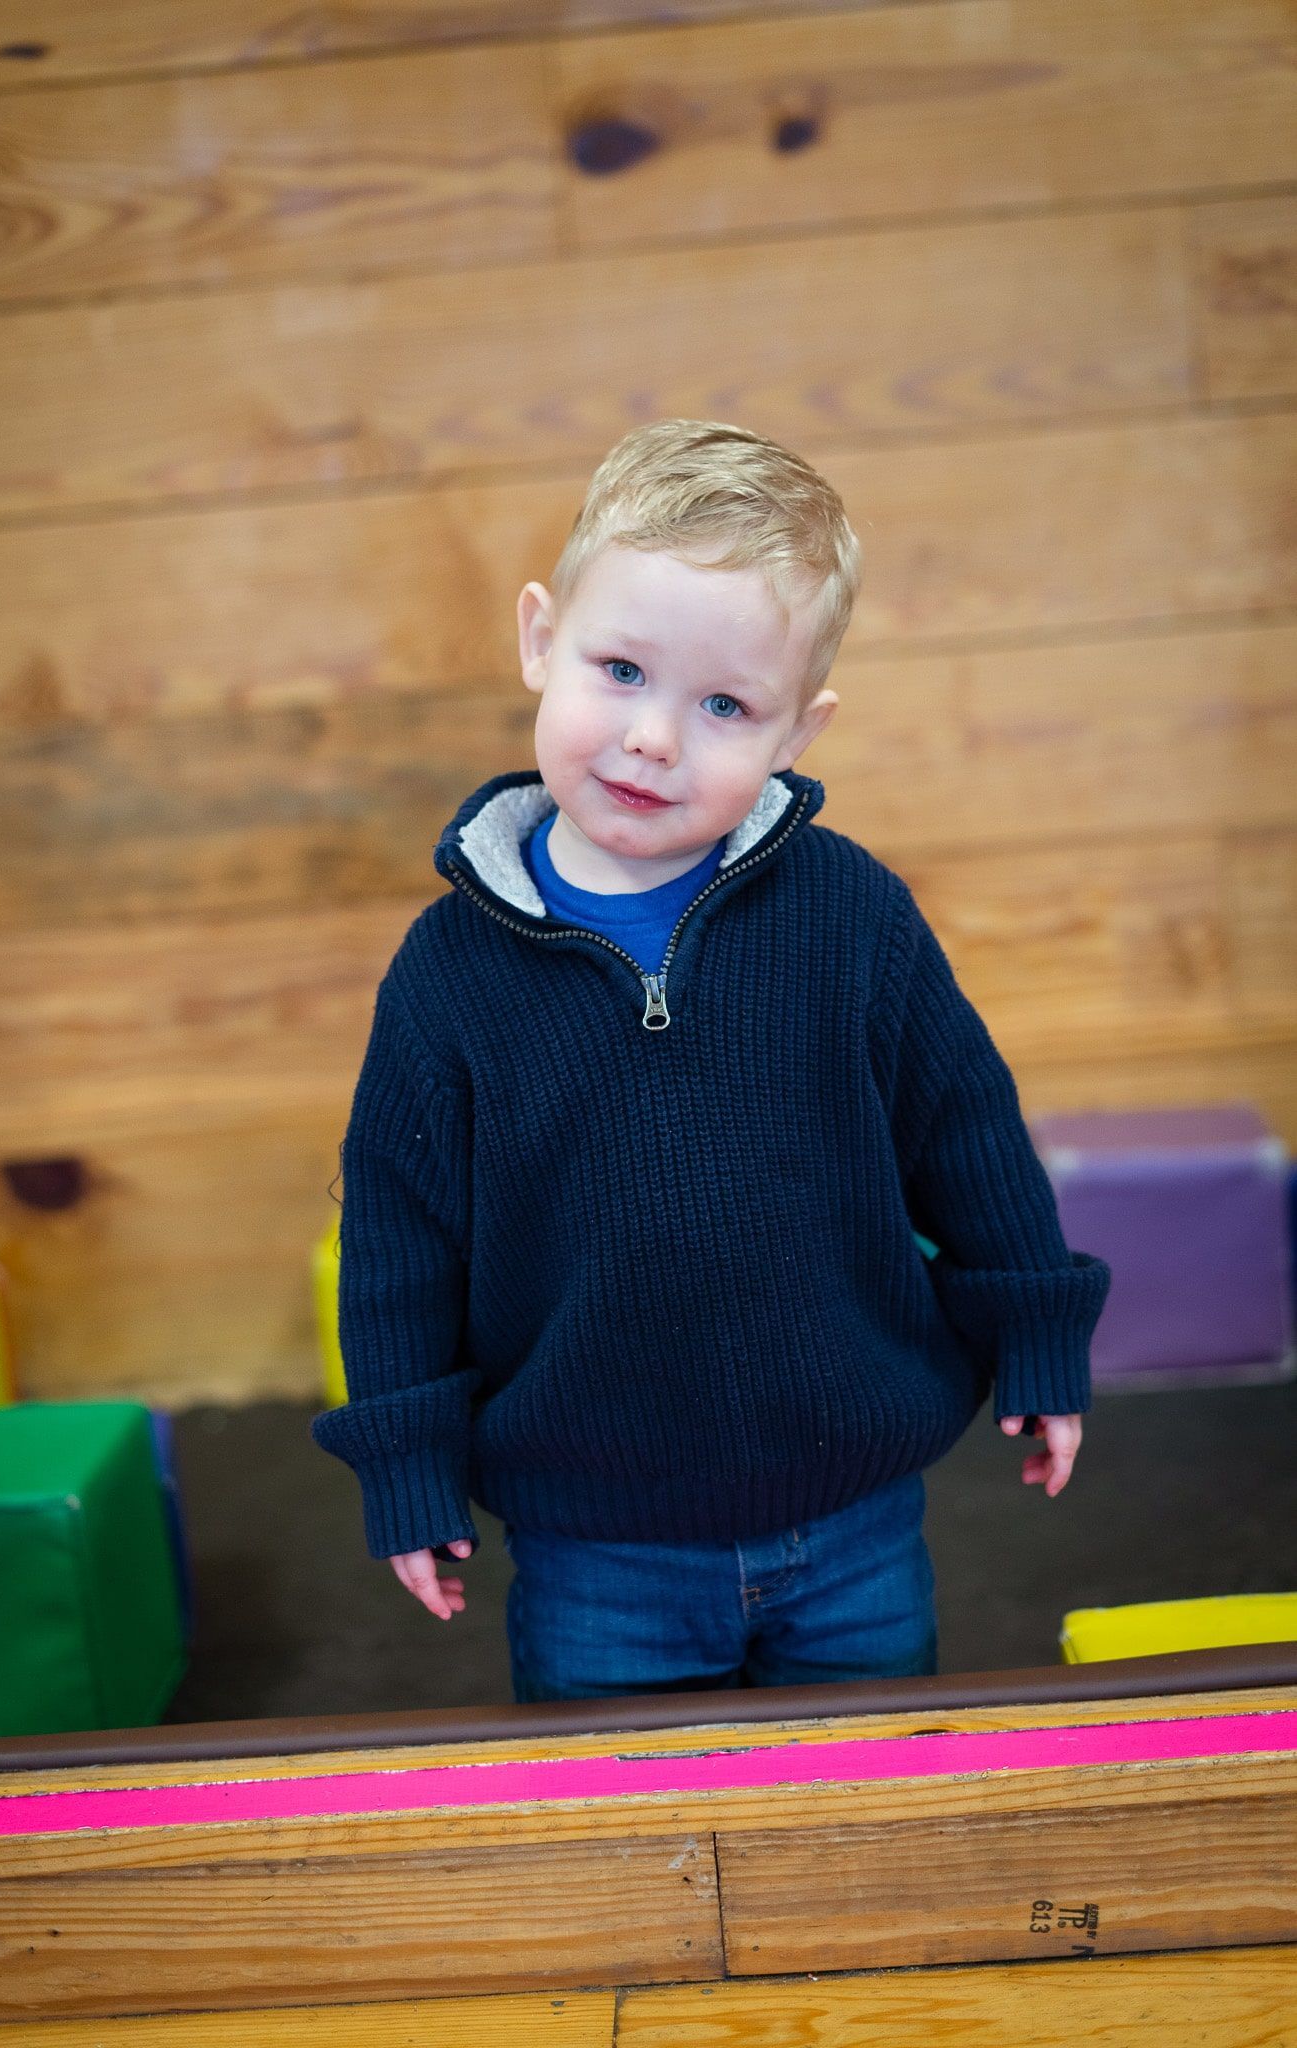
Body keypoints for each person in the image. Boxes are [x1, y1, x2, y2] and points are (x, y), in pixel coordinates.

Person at [311, 418, 1112, 1702]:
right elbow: (398, 1239)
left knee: (871, 1798)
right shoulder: (447, 973)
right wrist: (407, 1461)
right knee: (629, 1813)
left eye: (725, 705)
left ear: (798, 730)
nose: (653, 738)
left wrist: (1034, 1328)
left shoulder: (849, 914)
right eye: (621, 669)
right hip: (594, 1547)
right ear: (540, 639)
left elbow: (965, 1128)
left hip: (853, 1516)